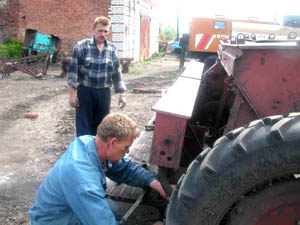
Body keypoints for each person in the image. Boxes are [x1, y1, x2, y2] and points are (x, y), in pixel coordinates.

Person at [29, 113, 167, 225]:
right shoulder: (84, 181)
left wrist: (154, 183)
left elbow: (123, 167)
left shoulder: (88, 143)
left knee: (109, 208)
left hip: (63, 208)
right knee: (105, 212)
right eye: (125, 147)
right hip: (52, 221)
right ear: (112, 142)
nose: (127, 151)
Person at [67, 16, 127, 137]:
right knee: (84, 126)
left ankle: (98, 154)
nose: (103, 34)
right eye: (100, 30)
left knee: (102, 127)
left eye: (106, 31)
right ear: (93, 30)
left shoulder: (112, 48)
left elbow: (117, 72)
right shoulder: (81, 46)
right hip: (85, 92)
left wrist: (122, 94)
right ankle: (84, 153)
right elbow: (73, 72)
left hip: (104, 93)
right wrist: (72, 95)